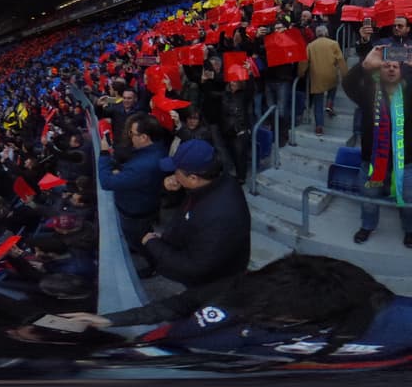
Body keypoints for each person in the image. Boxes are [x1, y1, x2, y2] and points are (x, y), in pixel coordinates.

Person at [60, 255, 412, 368]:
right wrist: (110, 320)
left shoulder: (395, 325)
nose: (252, 313)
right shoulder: (245, 287)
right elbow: (178, 305)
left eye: (269, 317)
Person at [143, 140, 250, 287]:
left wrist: (153, 244)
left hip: (211, 284)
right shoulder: (219, 182)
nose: (173, 174)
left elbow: (194, 265)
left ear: (193, 178)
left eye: (176, 170)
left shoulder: (218, 217)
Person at [342, 46, 412, 247]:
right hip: (372, 161)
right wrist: (364, 65)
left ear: (401, 71)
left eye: (395, 66)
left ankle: (409, 230)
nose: (391, 69)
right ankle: (368, 226)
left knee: (408, 202)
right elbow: (348, 84)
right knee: (369, 200)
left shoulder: (410, 92)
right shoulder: (368, 92)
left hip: (405, 162)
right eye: (386, 65)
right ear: (379, 71)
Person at [98, 113, 169, 250]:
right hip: (147, 202)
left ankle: (147, 259)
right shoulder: (158, 147)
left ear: (144, 137)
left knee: (139, 241)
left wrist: (104, 154)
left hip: (135, 213)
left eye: (132, 133)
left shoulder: (143, 167)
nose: (130, 136)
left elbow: (106, 182)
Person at [304, 25, 346, 135]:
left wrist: (301, 73)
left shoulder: (310, 46)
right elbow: (340, 60)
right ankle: (330, 103)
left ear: (316, 34)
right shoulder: (333, 43)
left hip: (316, 76)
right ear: (326, 33)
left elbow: (304, 62)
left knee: (318, 102)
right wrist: (345, 74)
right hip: (331, 73)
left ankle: (319, 127)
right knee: (333, 85)